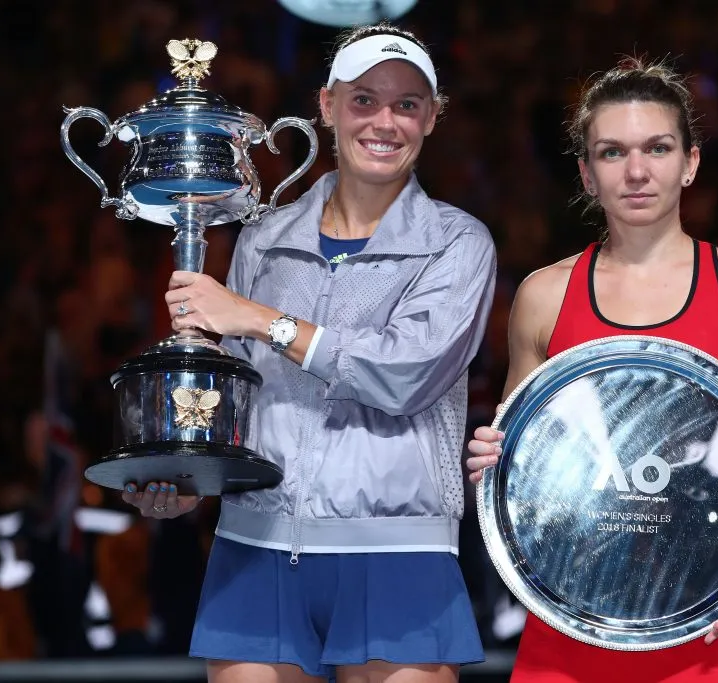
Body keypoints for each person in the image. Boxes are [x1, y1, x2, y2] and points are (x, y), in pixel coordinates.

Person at [122, 23, 496, 683]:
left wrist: (263, 320)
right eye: (364, 99)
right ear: (327, 106)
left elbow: (404, 373)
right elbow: (232, 401)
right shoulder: (262, 238)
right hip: (253, 545)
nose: (385, 120)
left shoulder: (457, 243)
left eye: (407, 103)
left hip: (398, 552)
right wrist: (189, 477)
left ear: (432, 117)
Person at [465, 57, 718, 682]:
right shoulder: (544, 296)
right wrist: (491, 458)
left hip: (710, 624)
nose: (636, 171)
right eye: (611, 152)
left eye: (657, 148)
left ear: (690, 162)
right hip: (569, 626)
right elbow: (526, 462)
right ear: (585, 171)